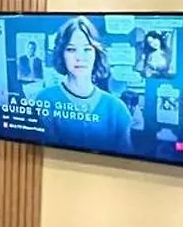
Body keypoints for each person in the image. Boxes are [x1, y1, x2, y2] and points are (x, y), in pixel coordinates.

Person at [34, 16, 133, 153]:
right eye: (71, 49)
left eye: (87, 49)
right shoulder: (45, 100)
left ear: (96, 53)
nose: (80, 57)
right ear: (61, 54)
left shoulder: (117, 109)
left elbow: (126, 160)